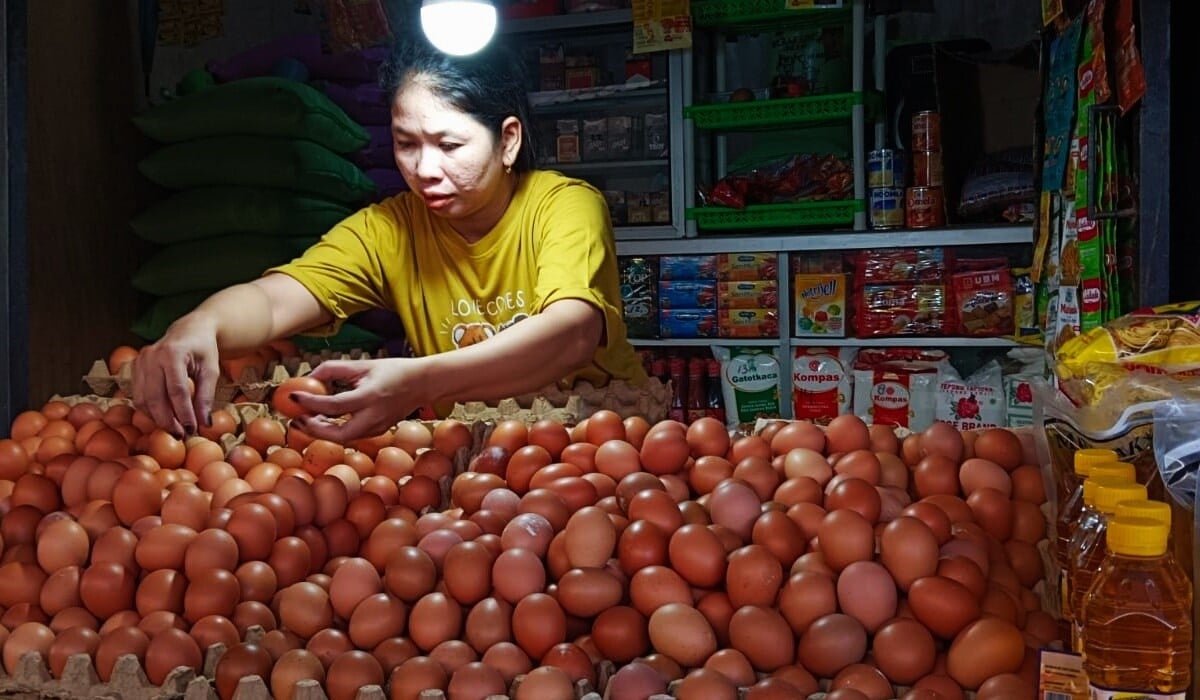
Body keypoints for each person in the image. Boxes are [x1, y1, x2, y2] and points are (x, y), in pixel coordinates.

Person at [133, 39, 648, 442]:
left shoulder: (563, 205)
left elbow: (572, 333)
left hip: (598, 439)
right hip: (476, 453)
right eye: (406, 144)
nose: (425, 170)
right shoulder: (391, 229)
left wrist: (422, 381)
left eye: (450, 145)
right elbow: (275, 300)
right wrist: (201, 323)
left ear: (507, 140)